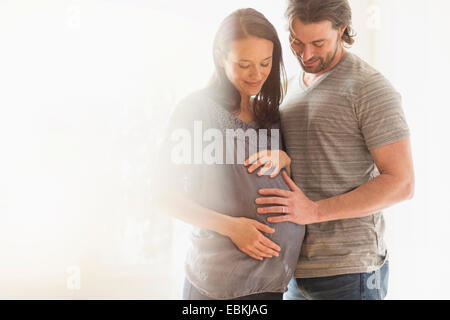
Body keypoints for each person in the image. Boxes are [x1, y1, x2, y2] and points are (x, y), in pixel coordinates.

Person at [250, 0, 414, 300]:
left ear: (343, 30)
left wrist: (314, 211)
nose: (306, 54)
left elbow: (401, 183)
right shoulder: (288, 88)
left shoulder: (370, 88)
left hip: (350, 269)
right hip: (292, 268)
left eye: (318, 43)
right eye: (296, 41)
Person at [153, 8, 305, 300]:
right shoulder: (196, 111)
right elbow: (162, 195)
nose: (257, 74)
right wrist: (232, 228)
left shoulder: (268, 114)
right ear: (221, 58)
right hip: (219, 287)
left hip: (272, 285)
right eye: (244, 64)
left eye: (265, 63)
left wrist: (286, 159)